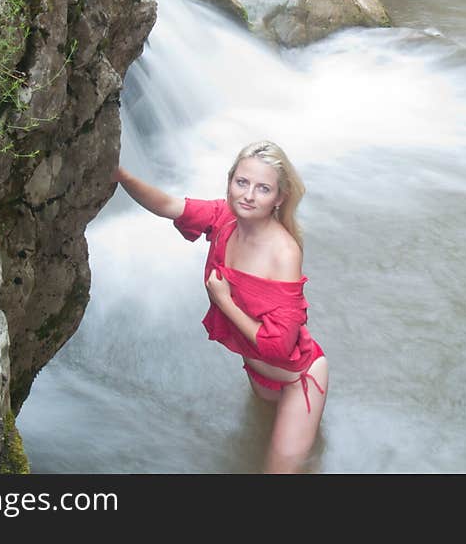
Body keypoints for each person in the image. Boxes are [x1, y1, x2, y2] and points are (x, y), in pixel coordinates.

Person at [111, 140, 328, 474]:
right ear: (229, 182)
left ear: (279, 198)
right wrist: (122, 176)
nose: (248, 196)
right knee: (259, 437)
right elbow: (170, 205)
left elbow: (279, 345)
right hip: (257, 371)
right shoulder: (225, 219)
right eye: (241, 182)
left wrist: (224, 301)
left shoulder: (283, 253)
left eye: (263, 188)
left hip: (298, 375)